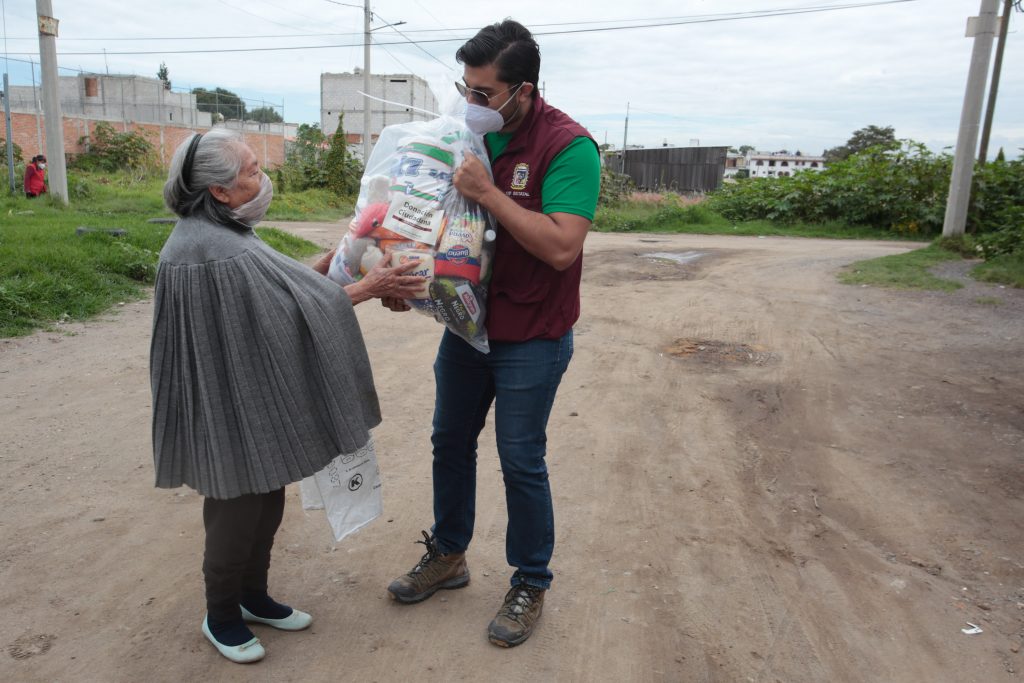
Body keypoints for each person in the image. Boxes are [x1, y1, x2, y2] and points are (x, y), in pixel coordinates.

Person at [151, 129, 423, 664]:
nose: (262, 176)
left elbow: (278, 288)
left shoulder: (224, 229)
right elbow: (282, 317)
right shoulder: (213, 248)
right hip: (227, 396)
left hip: (239, 386)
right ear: (219, 191)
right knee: (236, 504)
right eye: (250, 170)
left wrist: (334, 262)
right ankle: (221, 613)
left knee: (268, 490)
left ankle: (253, 596)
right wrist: (365, 290)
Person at [385, 19, 601, 648]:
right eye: (467, 88)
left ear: (522, 91)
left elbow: (561, 246)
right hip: (467, 325)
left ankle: (530, 580)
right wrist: (406, 277)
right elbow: (439, 221)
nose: (471, 103)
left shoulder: (569, 147)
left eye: (484, 93)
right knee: (449, 440)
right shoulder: (459, 136)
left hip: (532, 330)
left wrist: (489, 192)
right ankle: (448, 553)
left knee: (519, 458)